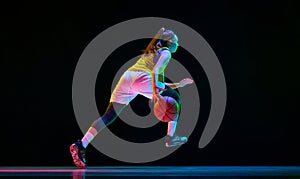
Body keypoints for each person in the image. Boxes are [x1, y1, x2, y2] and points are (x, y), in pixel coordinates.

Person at [70, 27, 194, 169]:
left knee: (109, 116)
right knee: (174, 97)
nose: (178, 45)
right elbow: (154, 73)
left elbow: (157, 81)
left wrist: (178, 84)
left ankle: (81, 144)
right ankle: (170, 137)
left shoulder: (155, 51)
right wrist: (155, 92)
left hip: (128, 78)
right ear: (170, 42)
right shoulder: (166, 53)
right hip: (141, 79)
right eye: (177, 42)